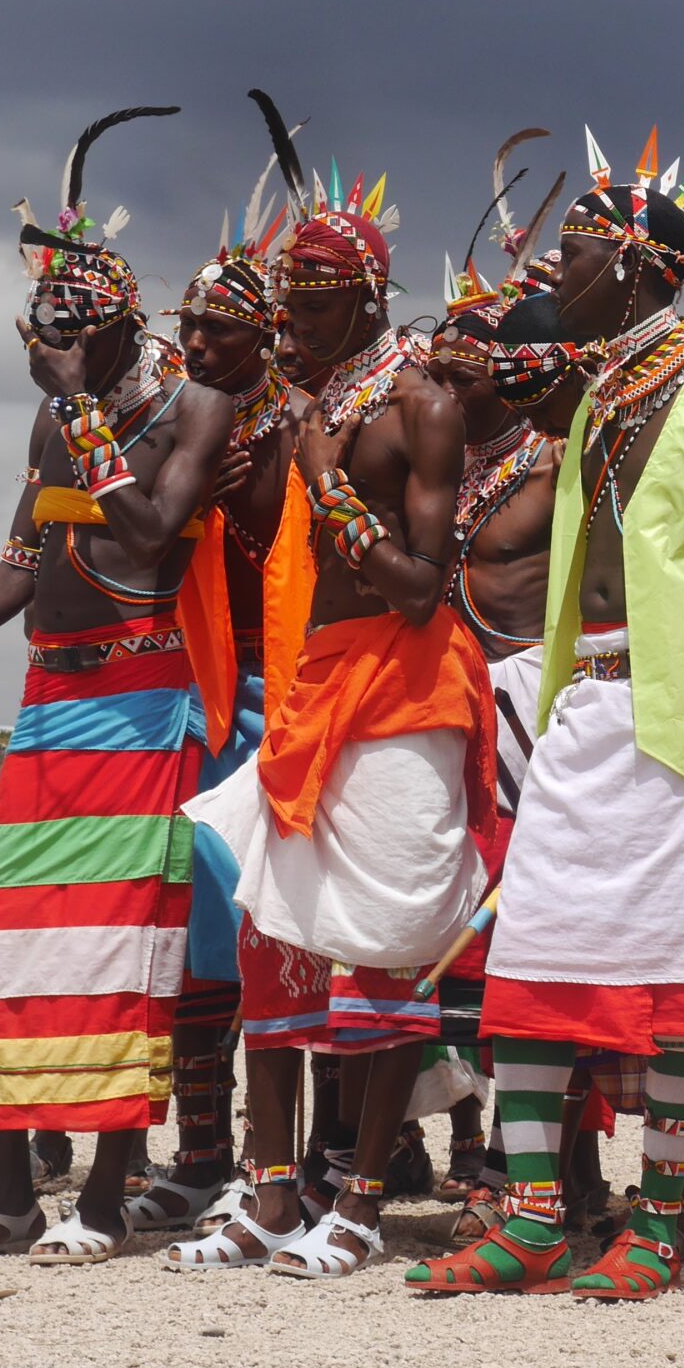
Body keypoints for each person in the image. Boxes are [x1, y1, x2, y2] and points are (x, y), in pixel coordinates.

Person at [403, 130, 684, 1301]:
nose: (555, 272)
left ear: (639, 266)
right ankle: (534, 1221)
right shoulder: (601, 395)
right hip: (588, 711)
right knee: (534, 964)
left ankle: (656, 1224)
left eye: (574, 254)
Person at [0, 105, 229, 1265]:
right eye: (48, 336)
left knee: (120, 952)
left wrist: (82, 407)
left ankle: (104, 1201)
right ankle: (8, 1200)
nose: (59, 352)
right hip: (50, 709)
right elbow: (25, 558)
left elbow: (152, 532)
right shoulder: (53, 418)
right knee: (5, 941)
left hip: (145, 708)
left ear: (124, 326)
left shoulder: (194, 408)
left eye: (78, 335)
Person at [175, 156, 493, 1279]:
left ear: (363, 298)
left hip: (406, 691)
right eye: (289, 305)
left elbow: (421, 586)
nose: (292, 326)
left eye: (310, 306)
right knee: (275, 936)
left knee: (389, 947)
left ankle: (358, 1201)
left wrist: (326, 480)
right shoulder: (319, 406)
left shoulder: (422, 404)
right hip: (316, 685)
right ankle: (270, 1193)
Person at [126, 145, 320, 1233]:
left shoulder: (305, 421)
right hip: (196, 691)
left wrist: (253, 501)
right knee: (199, 933)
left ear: (267, 334)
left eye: (221, 330)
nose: (198, 344)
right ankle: (203, 1153)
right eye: (191, 327)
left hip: (286, 692)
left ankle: (289, 1162)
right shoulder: (179, 417)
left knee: (278, 929)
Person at [428, 270, 569, 1220]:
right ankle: (454, 1140)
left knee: (506, 937)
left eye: (464, 377)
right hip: (440, 705)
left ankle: (515, 1169)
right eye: (437, 375)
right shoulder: (431, 456)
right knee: (439, 929)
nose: (446, 392)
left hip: (527, 716)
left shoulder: (558, 463)